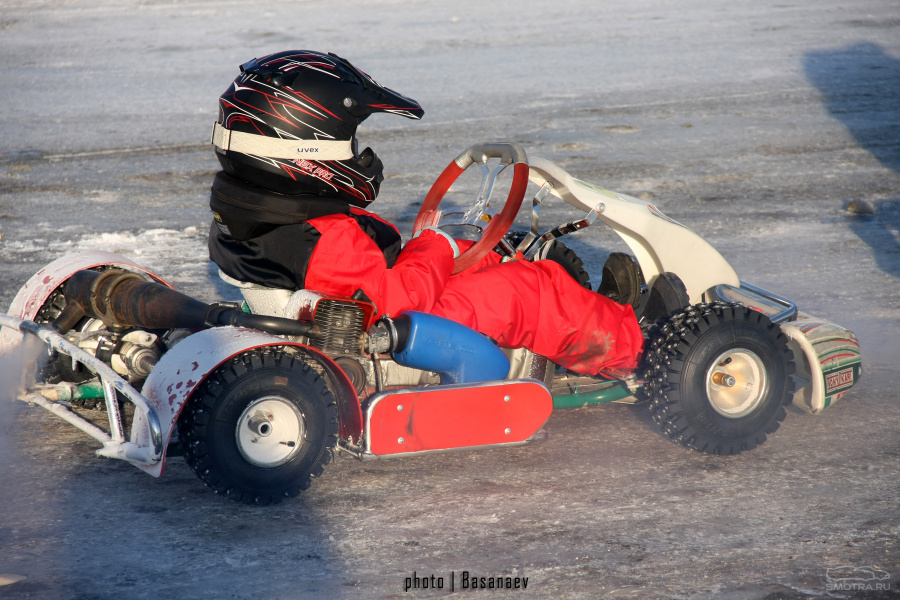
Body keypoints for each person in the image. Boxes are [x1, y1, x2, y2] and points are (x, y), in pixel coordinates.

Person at [207, 50, 684, 376]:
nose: (358, 156)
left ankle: (593, 315)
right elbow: (399, 301)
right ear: (304, 152)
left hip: (351, 309)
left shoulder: (256, 216)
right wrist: (434, 245)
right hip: (392, 336)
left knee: (486, 257)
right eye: (347, 144)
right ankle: (644, 349)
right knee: (525, 290)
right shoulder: (322, 239)